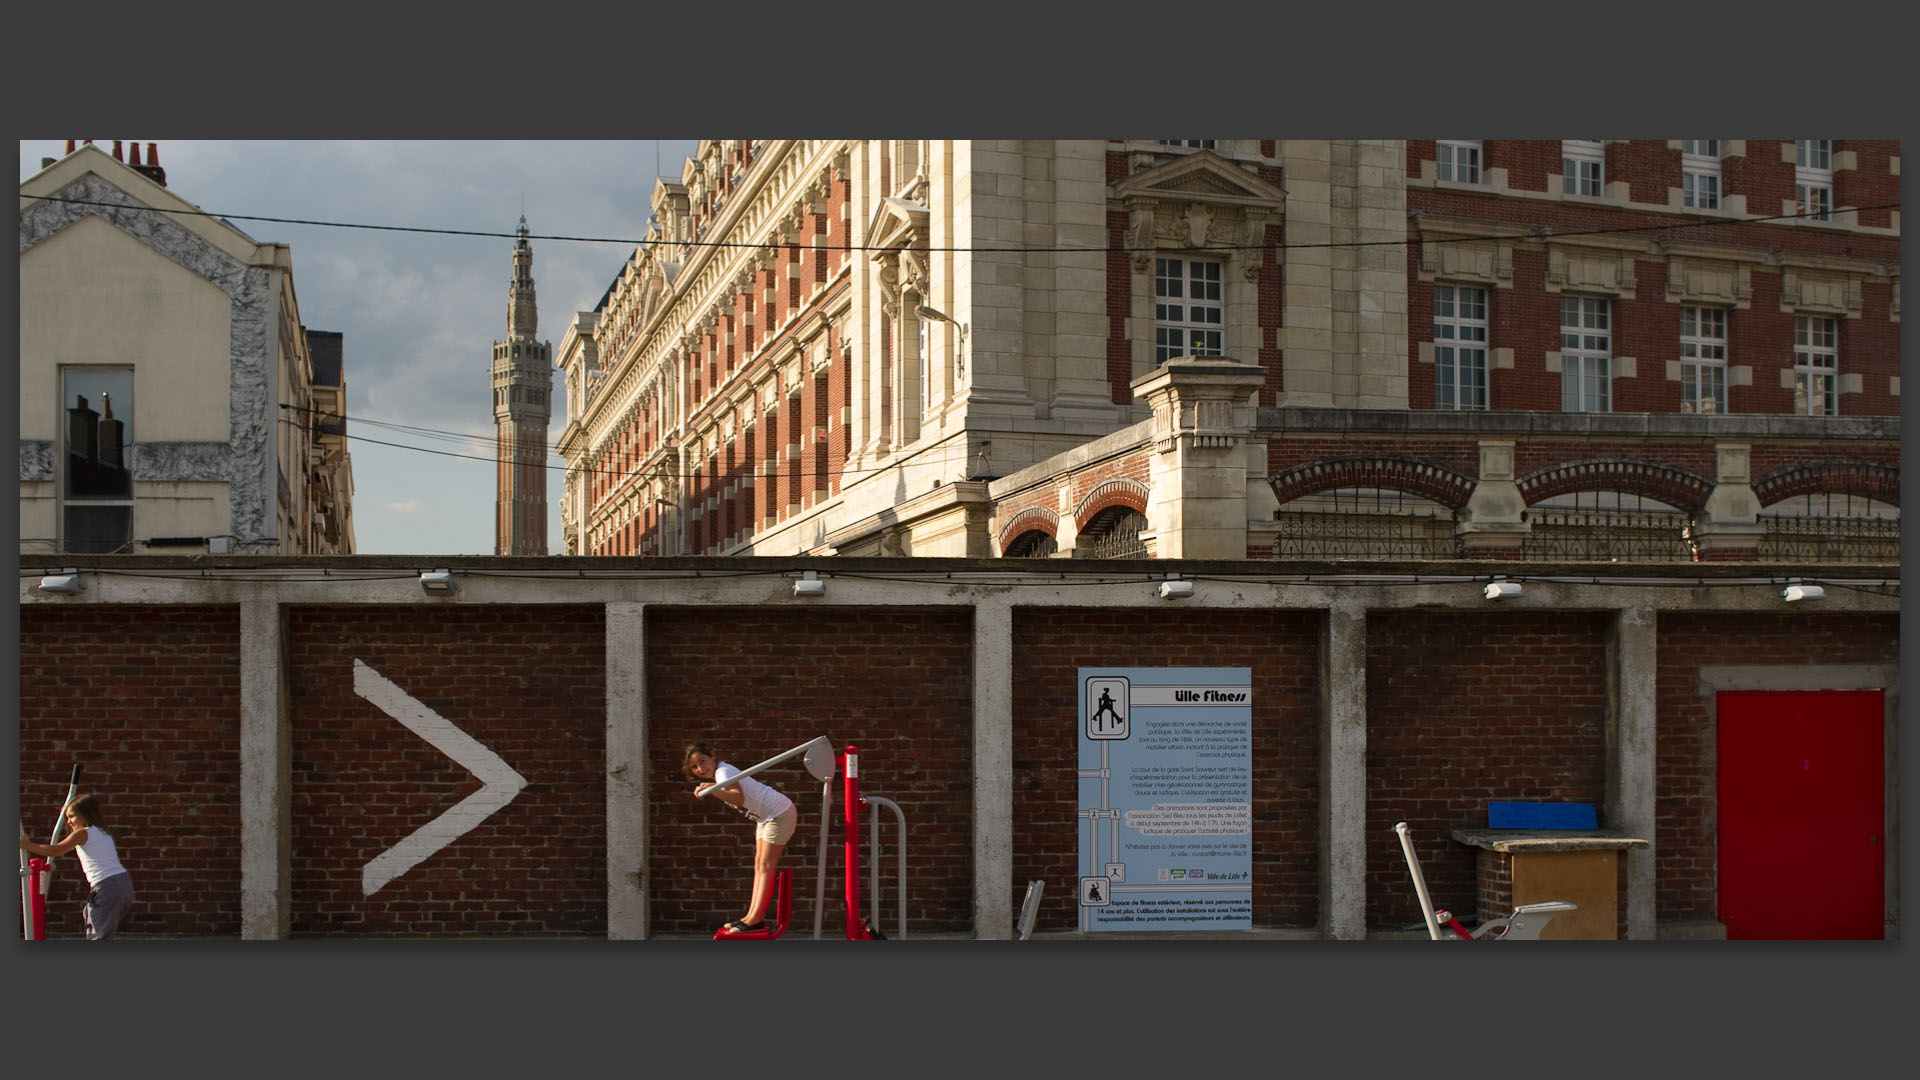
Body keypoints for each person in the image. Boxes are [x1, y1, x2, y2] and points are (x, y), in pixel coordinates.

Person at [682, 741, 796, 935]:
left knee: (766, 866)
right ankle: (751, 917)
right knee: (760, 865)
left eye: (702, 761)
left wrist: (710, 791)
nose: (700, 768)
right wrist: (712, 788)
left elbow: (738, 798)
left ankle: (755, 919)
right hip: (765, 816)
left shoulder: (723, 772)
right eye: (694, 767)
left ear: (712, 756)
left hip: (779, 813)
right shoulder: (720, 776)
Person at [18, 794, 133, 941]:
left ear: (85, 815)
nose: (69, 821)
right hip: (122, 884)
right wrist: (66, 814)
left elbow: (55, 850)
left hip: (106, 886)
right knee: (98, 923)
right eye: (66, 818)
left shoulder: (82, 833)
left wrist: (28, 846)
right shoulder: (103, 832)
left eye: (72, 816)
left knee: (98, 935)